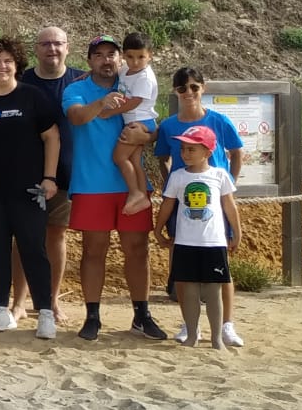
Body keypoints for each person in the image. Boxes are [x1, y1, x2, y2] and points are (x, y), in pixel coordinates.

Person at [64, 35, 167, 342]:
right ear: (89, 60)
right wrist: (101, 103)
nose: (106, 60)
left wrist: (147, 137)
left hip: (131, 186)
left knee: (137, 251)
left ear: (121, 59)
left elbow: (152, 125)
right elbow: (77, 117)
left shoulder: (134, 81)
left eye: (112, 54)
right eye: (99, 55)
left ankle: (141, 315)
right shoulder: (76, 89)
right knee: (93, 251)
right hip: (91, 184)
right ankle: (93, 316)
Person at [0, 36, 62, 340]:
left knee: (34, 249)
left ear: (16, 65)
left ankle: (45, 313)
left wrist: (50, 177)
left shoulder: (32, 97)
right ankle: (1, 309)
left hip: (29, 191)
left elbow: (52, 138)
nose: (2, 66)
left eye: (7, 61)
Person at [151, 66, 247, 346]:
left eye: (194, 87)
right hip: (183, 200)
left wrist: (230, 182)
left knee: (221, 267)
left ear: (203, 88)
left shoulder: (218, 120)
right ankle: (189, 324)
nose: (189, 93)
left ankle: (227, 324)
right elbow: (162, 157)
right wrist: (173, 187)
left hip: (215, 202)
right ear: (175, 92)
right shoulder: (169, 125)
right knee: (183, 270)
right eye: (182, 88)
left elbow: (237, 152)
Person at [10, 26, 86, 318]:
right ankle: (18, 302)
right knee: (23, 238)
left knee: (56, 237)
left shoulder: (81, 80)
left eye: (57, 44)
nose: (51, 49)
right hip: (25, 174)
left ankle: (51, 301)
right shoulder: (21, 81)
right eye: (45, 44)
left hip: (66, 174)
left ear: (67, 47)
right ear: (36, 49)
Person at [157, 125, 242, 351]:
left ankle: (216, 337)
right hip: (185, 242)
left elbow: (229, 206)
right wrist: (158, 229)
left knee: (213, 291)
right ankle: (192, 334)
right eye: (183, 148)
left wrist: (237, 231)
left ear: (207, 152)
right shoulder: (177, 176)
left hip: (213, 243)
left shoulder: (219, 175)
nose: (185, 153)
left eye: (192, 149)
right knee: (190, 290)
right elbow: (167, 204)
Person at [114, 31, 160, 216]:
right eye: (130, 57)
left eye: (141, 57)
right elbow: (116, 70)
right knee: (134, 160)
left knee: (119, 158)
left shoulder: (145, 77)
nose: (135, 61)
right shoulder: (125, 69)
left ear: (150, 55)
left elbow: (134, 102)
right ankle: (142, 196)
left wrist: (109, 112)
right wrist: (87, 74)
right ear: (124, 55)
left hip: (140, 122)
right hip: (135, 120)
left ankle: (135, 192)